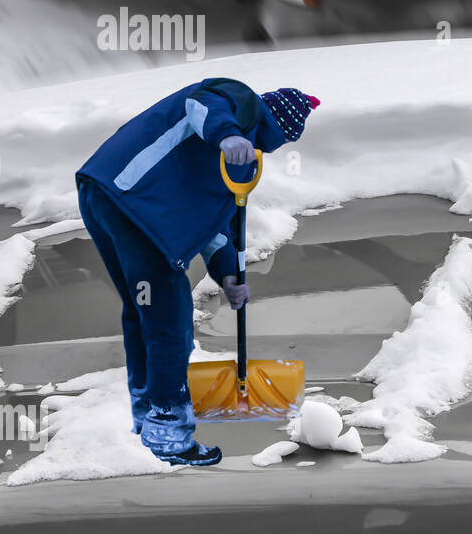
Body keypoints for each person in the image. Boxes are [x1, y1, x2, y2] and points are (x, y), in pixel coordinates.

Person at [75, 80, 319, 466]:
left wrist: (228, 276)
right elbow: (202, 104)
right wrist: (226, 136)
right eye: (280, 139)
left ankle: (146, 417)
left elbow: (217, 226)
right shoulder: (237, 102)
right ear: (275, 126)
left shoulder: (239, 160)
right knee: (170, 321)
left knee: (143, 313)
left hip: (107, 197)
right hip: (137, 206)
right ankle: (168, 433)